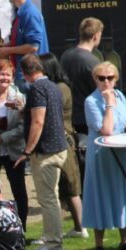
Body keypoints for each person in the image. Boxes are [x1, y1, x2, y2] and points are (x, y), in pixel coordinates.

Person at [14, 54, 69, 250]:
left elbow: (38, 122)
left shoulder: (37, 88)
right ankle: (50, 239)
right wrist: (24, 110)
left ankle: (53, 246)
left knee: (48, 199)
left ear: (24, 72)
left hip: (46, 152)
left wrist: (27, 151)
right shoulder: (52, 86)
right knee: (50, 198)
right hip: (57, 148)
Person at [82, 62, 126, 250]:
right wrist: (108, 104)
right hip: (101, 156)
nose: (106, 82)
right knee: (100, 195)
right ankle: (99, 245)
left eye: (110, 78)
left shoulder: (121, 96)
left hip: (121, 153)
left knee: (123, 194)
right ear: (95, 79)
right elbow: (106, 130)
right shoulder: (91, 101)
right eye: (101, 78)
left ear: (116, 79)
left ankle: (125, 240)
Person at [40, 53, 87, 239]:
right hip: (63, 139)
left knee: (69, 186)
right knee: (66, 186)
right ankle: (78, 227)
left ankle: (77, 228)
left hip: (62, 140)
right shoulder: (60, 87)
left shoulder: (59, 88)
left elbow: (51, 113)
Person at [0, 59, 28, 229]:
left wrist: (4, 138)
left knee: (19, 190)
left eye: (8, 75)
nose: (5, 78)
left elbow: (23, 127)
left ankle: (21, 228)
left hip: (13, 149)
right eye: (1, 74)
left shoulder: (19, 98)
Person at [60, 17, 103, 137]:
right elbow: (100, 92)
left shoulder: (65, 55)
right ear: (96, 36)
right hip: (88, 117)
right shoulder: (92, 61)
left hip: (69, 116)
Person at [0, 0, 50, 87]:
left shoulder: (30, 12)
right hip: (25, 73)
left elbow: (33, 46)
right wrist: (7, 45)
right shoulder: (22, 12)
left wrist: (8, 50)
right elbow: (24, 40)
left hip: (30, 75)